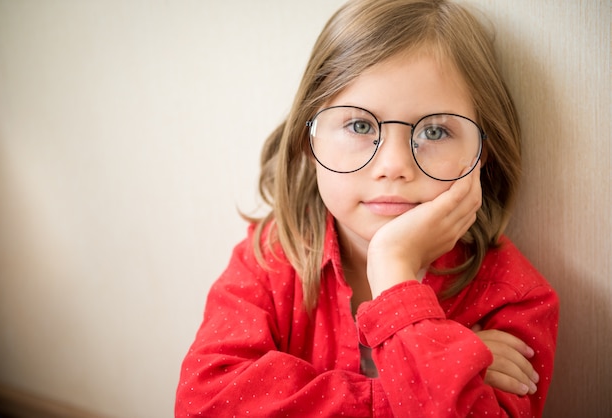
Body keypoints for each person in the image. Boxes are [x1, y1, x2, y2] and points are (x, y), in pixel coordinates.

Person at [175, 0, 559, 416]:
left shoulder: (513, 297)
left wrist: (393, 269)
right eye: (360, 125)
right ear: (309, 140)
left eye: (434, 130)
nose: (393, 166)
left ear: (484, 151)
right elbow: (205, 402)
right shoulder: (269, 259)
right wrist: (428, 380)